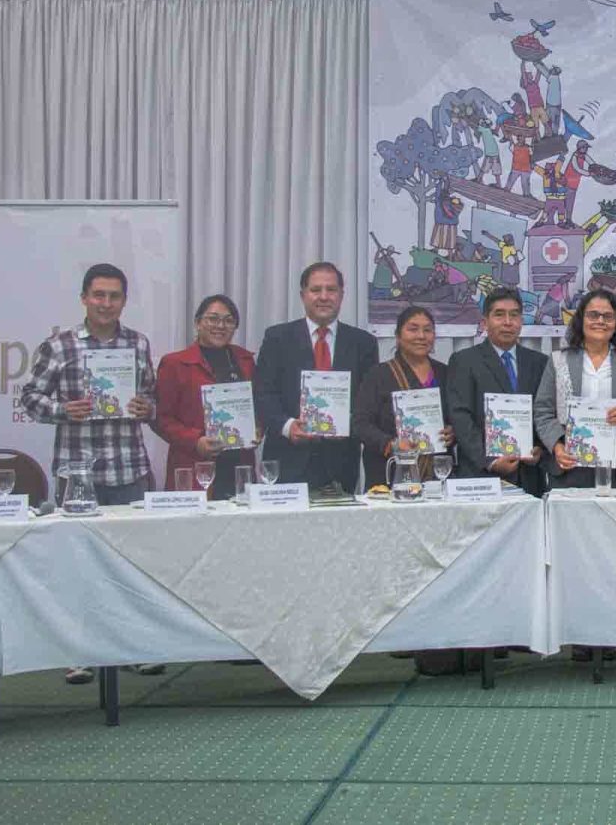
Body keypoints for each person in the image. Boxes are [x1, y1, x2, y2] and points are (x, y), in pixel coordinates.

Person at [20, 263, 163, 685]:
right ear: (84, 298)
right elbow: (30, 398)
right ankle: (78, 653)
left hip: (129, 467)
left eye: (114, 296)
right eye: (98, 295)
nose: (106, 303)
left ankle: (135, 648)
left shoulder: (138, 343)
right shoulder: (59, 345)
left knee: (133, 566)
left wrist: (146, 407)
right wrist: (64, 409)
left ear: (124, 301)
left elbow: (150, 397)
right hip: (78, 472)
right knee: (76, 565)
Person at [254, 262, 380, 493]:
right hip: (286, 460)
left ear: (341, 295)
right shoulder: (277, 338)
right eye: (315, 290)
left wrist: (347, 424)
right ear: (303, 295)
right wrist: (288, 426)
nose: (324, 297)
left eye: (331, 290)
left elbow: (369, 400)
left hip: (341, 463)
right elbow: (263, 393)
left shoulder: (364, 343)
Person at [534, 288, 616, 490]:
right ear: (581, 319)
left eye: (608, 316)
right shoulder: (558, 361)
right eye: (593, 315)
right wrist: (557, 446)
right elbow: (542, 412)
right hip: (569, 465)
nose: (600, 321)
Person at [152, 295, 258, 500]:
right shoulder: (175, 363)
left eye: (228, 321)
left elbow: (257, 407)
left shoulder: (245, 360)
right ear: (198, 323)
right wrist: (195, 440)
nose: (220, 326)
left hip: (239, 465)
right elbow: (161, 418)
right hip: (195, 467)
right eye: (213, 318)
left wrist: (258, 429)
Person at [447, 287, 548, 494]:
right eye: (499, 315)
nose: (508, 322)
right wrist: (490, 461)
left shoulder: (540, 362)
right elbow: (460, 417)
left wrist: (540, 448)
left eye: (514, 315)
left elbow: (546, 412)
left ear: (521, 321)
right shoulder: (464, 361)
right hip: (481, 476)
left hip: (529, 476)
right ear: (485, 322)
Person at [354, 307, 453, 489]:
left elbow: (459, 417)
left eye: (427, 330)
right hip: (389, 474)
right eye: (413, 329)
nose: (421, 336)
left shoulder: (446, 373)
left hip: (437, 476)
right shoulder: (378, 375)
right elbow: (360, 424)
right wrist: (391, 444)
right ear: (398, 336)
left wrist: (453, 433)